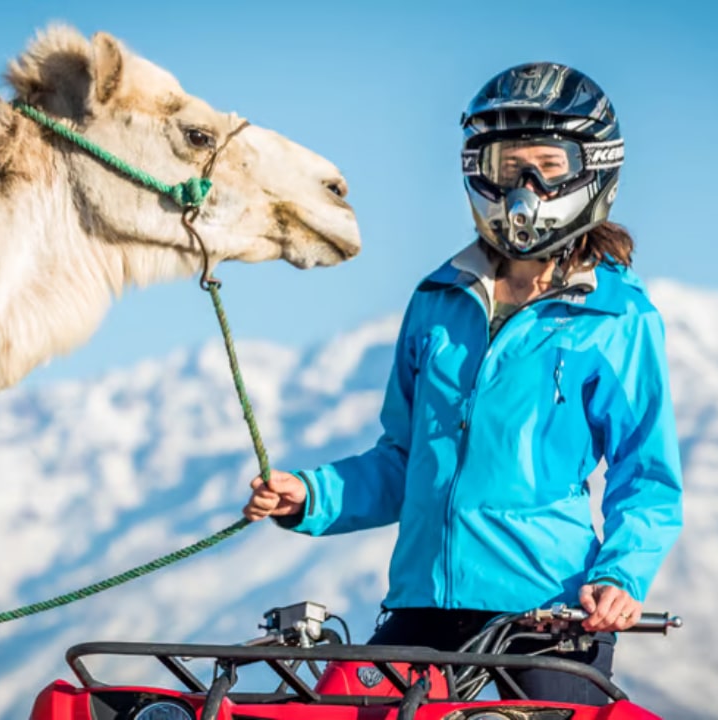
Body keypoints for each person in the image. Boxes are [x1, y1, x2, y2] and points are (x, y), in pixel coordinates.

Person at [242, 61, 684, 706]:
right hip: (420, 606)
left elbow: (646, 478)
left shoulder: (619, 317)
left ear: (592, 170)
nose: (526, 187)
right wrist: (310, 496)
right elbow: (403, 461)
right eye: (508, 167)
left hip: (546, 618)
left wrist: (621, 575)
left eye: (548, 166)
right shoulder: (437, 300)